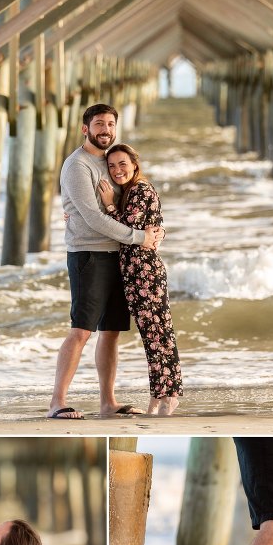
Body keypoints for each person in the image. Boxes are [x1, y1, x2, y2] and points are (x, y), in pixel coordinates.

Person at [47, 103, 164, 421]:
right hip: (89, 255)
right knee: (81, 330)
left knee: (111, 331)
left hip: (120, 256)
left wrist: (155, 228)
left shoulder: (114, 161)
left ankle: (107, 403)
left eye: (110, 124)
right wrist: (140, 238)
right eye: (99, 124)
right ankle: (57, 402)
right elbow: (93, 218)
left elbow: (133, 203)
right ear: (85, 129)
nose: (105, 130)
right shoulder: (77, 166)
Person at [99, 143, 183, 416]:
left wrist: (110, 205)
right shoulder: (130, 192)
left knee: (160, 335)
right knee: (151, 336)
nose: (117, 170)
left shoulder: (141, 189)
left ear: (135, 164)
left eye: (122, 164)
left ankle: (169, 395)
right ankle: (158, 394)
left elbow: (128, 227)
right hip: (134, 274)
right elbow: (152, 223)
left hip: (146, 272)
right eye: (111, 166)